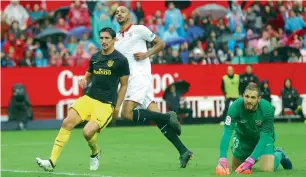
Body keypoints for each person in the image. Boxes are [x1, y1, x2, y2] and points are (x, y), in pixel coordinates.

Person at [35, 27, 130, 172]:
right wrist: (84, 79)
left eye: (107, 38)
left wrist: (117, 107)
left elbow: (124, 85)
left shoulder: (121, 60)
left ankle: (95, 152)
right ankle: (51, 162)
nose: (103, 41)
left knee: (87, 132)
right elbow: (88, 74)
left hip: (106, 104)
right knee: (67, 122)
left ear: (114, 40)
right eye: (101, 38)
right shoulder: (95, 57)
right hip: (89, 98)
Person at [114, 6, 192, 168]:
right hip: (132, 80)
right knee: (156, 118)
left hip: (140, 77)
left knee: (126, 113)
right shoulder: (117, 38)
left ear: (129, 15)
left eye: (122, 11)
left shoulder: (139, 29)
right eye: (117, 12)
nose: (119, 13)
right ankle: (183, 150)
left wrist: (146, 54)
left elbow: (161, 43)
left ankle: (167, 116)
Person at [215, 84, 293, 176]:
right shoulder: (235, 107)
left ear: (258, 99)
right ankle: (253, 157)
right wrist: (222, 158)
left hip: (262, 138)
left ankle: (279, 153)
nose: (249, 100)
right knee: (236, 168)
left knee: (267, 169)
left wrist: (251, 160)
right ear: (243, 95)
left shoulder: (267, 109)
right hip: (243, 138)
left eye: (253, 97)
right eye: (247, 96)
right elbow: (227, 132)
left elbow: (264, 137)